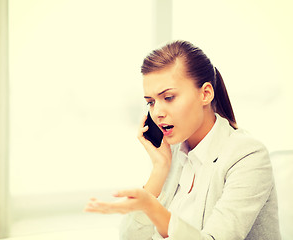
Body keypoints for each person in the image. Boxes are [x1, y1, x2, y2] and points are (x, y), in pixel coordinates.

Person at [85, 40, 281, 240]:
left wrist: (151, 207)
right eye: (151, 102)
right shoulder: (173, 152)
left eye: (168, 97)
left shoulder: (248, 156)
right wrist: (159, 168)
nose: (157, 113)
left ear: (205, 94)